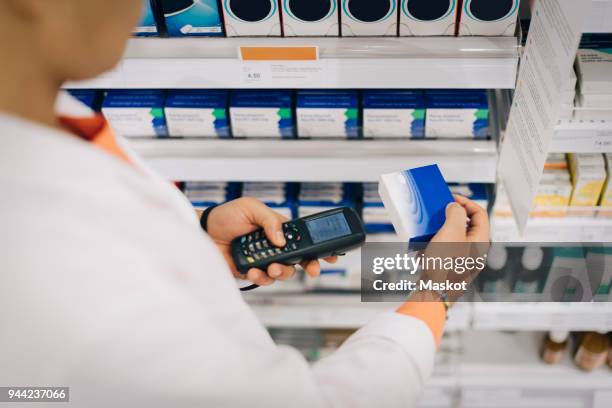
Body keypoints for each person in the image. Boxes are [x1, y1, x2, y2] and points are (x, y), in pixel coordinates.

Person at [0, 1, 490, 407]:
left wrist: (197, 233)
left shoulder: (40, 107)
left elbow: (105, 213)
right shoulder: (72, 309)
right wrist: (437, 292)